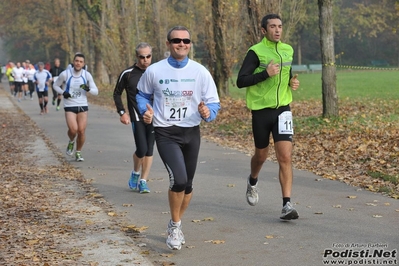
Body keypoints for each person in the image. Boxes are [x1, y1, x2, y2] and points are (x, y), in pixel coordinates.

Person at [136, 26, 220, 250]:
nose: (181, 44)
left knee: (189, 184)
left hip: (191, 132)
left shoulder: (200, 71)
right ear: (168, 44)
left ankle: (176, 222)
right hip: (165, 132)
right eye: (176, 40)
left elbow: (213, 102)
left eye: (186, 41)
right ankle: (174, 226)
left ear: (190, 44)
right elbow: (142, 95)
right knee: (179, 180)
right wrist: (146, 109)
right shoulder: (154, 71)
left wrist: (207, 113)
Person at [236, 14, 300, 220]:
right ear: (264, 30)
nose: (277, 30)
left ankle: (287, 205)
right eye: (273, 26)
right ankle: (253, 180)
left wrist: (292, 82)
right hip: (261, 111)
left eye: (280, 26)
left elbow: (287, 73)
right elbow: (241, 81)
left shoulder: (287, 49)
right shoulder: (255, 52)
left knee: (285, 157)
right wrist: (265, 74)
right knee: (261, 156)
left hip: (283, 110)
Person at [113, 42, 155, 194]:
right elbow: (117, 93)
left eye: (148, 56)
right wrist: (122, 112)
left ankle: (143, 181)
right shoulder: (128, 73)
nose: (145, 60)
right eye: (142, 57)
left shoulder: (156, 72)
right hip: (137, 116)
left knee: (149, 150)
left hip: (155, 117)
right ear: (137, 57)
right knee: (142, 149)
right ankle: (136, 172)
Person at [53, 52, 98, 162]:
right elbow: (55, 85)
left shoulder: (86, 75)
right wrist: (63, 93)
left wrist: (88, 89)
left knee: (81, 131)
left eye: (80, 62)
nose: (78, 63)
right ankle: (71, 141)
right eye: (76, 61)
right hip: (70, 105)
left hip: (82, 105)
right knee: (73, 130)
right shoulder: (65, 74)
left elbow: (96, 91)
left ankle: (78, 152)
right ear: (73, 62)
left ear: (83, 64)